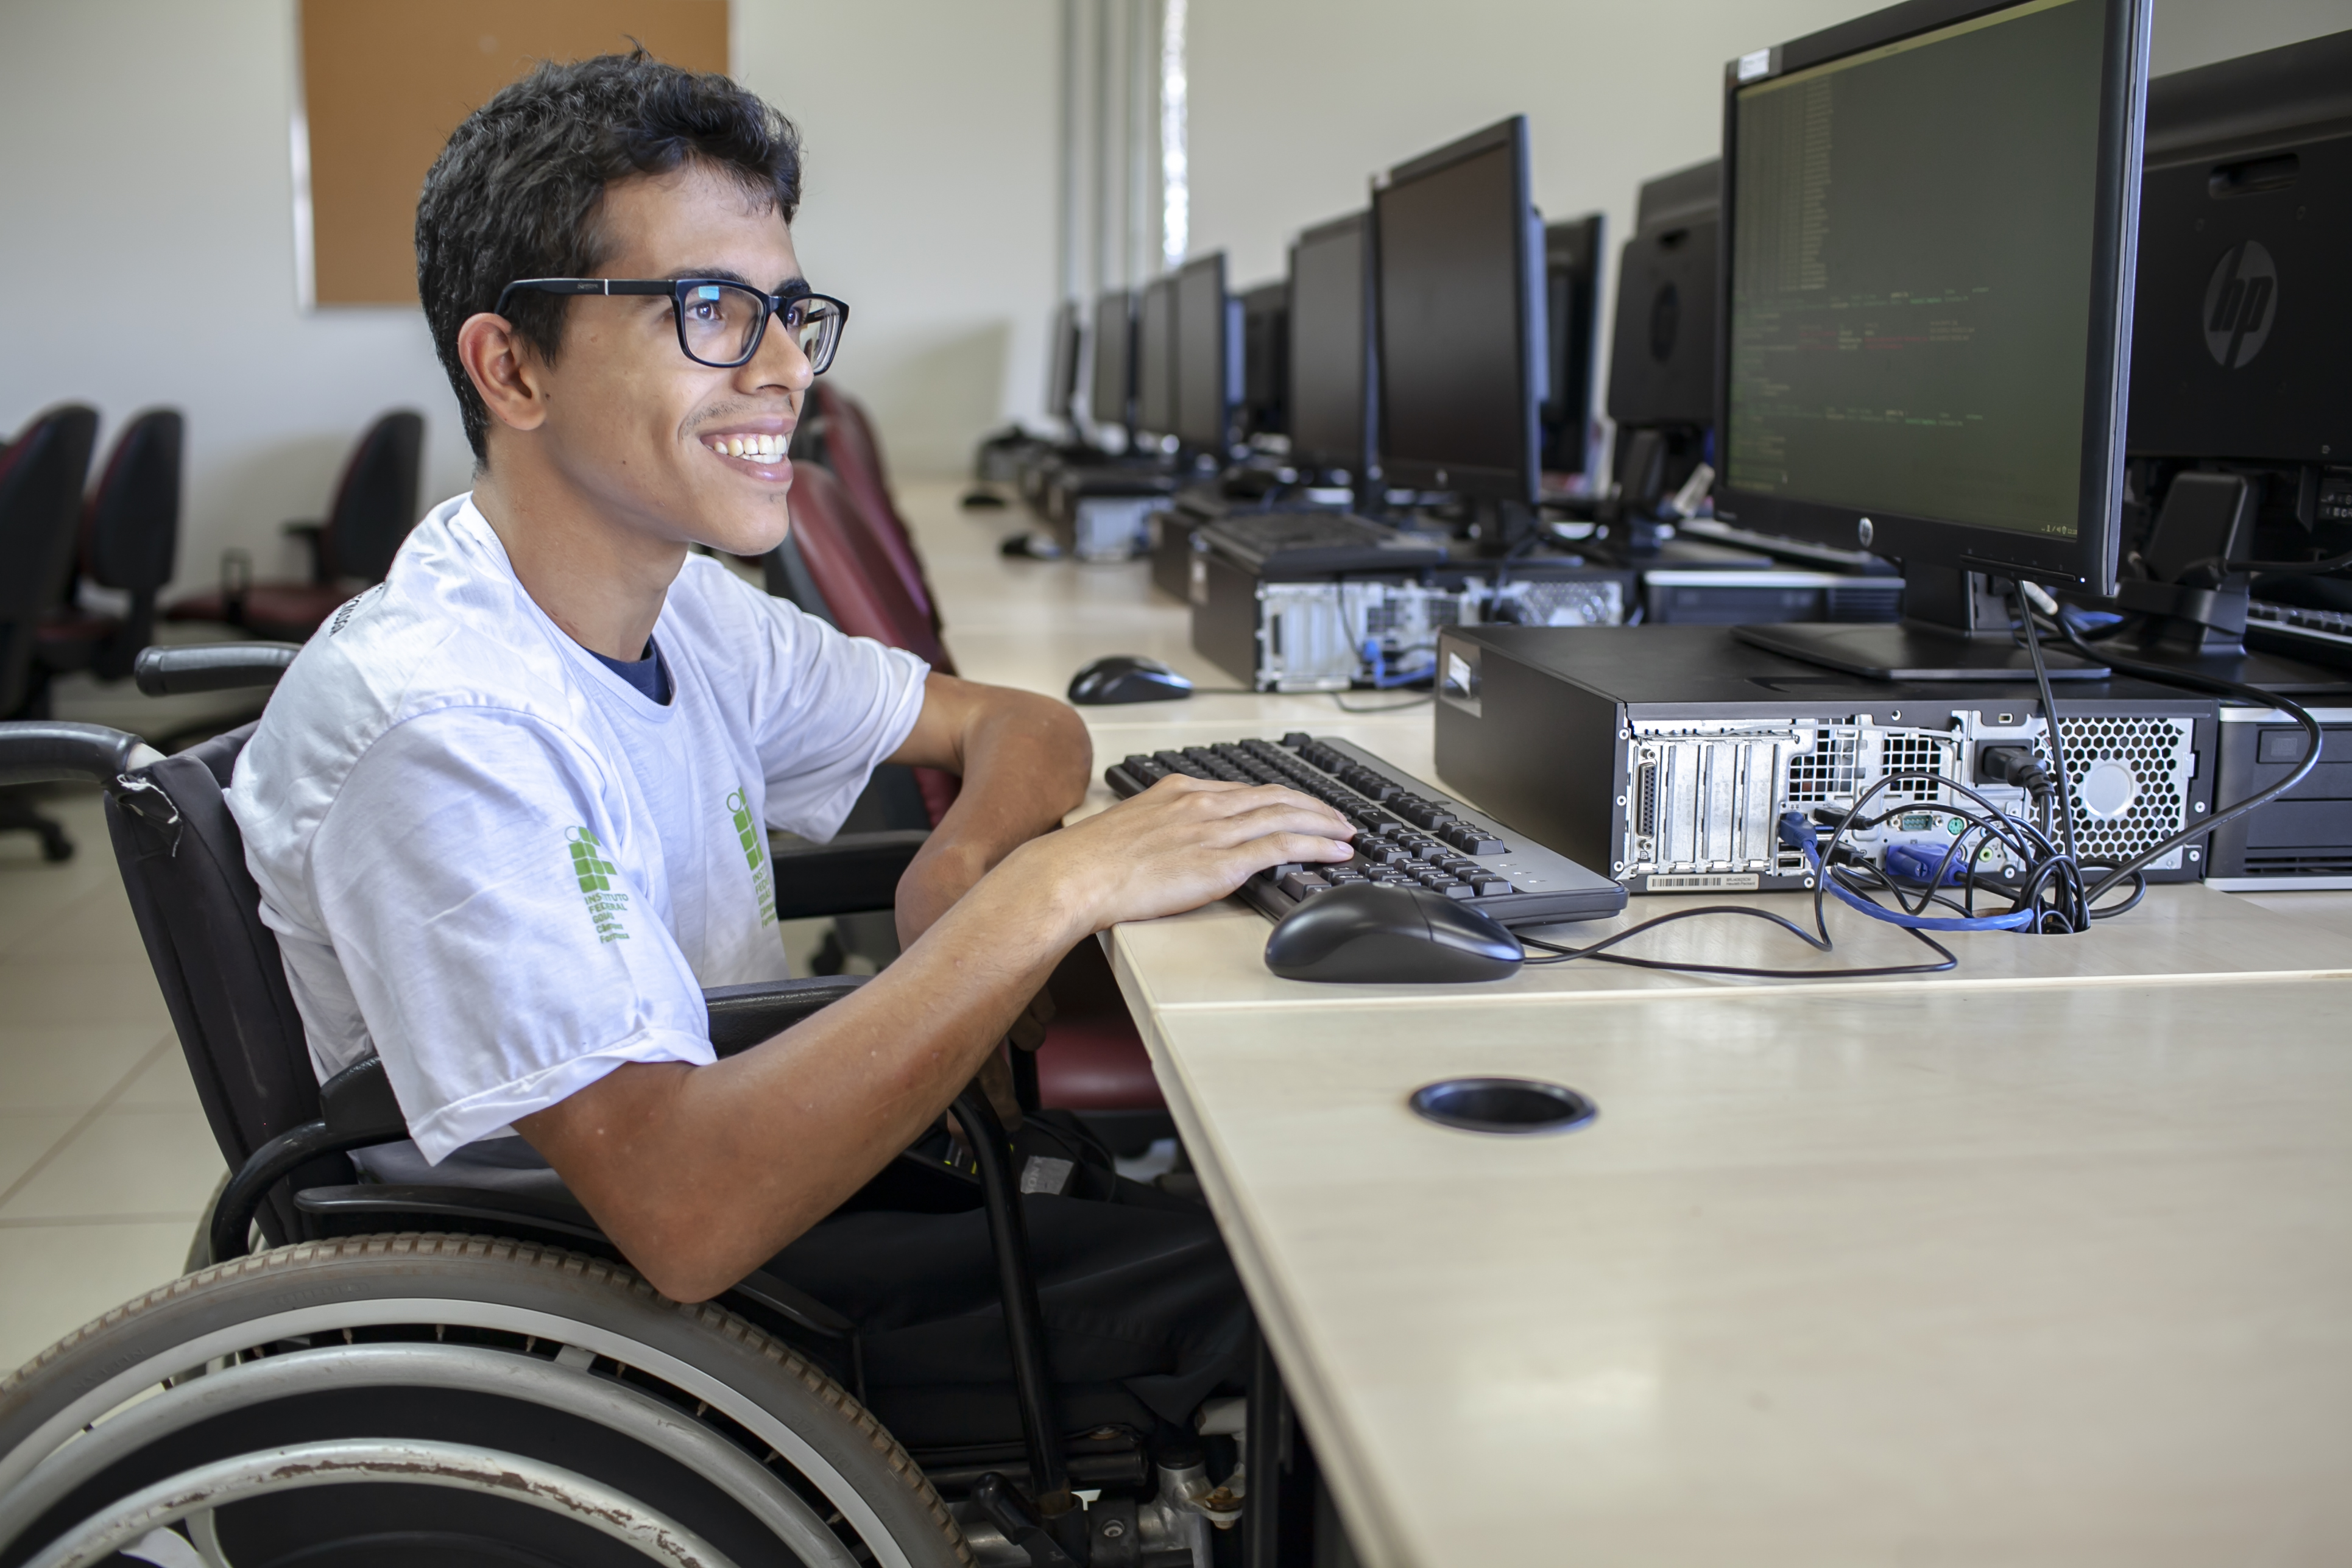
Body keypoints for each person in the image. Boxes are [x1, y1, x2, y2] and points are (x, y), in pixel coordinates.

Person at [227, 52, 1354, 1452]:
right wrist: (1037, 903)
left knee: (1279, 1220)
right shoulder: (445, 727)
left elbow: (1019, 725)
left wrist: (959, 861)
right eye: (708, 310)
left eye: (788, 313)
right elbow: (683, 1219)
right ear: (509, 365)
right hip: (615, 1334)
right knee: (1314, 1300)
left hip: (770, 1197)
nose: (780, 369)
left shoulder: (680, 603)